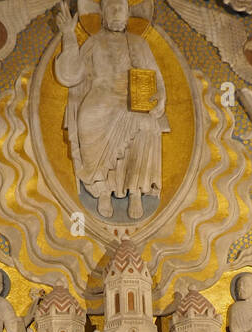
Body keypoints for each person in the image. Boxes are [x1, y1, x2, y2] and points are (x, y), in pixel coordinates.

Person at [54, 0, 168, 220]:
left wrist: (161, 98)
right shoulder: (94, 42)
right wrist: (68, 35)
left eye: (121, 8)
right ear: (103, 15)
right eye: (111, 8)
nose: (116, 12)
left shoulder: (138, 43)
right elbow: (70, 75)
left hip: (132, 101)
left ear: (128, 14)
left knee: (148, 127)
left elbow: (156, 78)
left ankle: (135, 190)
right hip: (100, 99)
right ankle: (103, 190)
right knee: (89, 119)